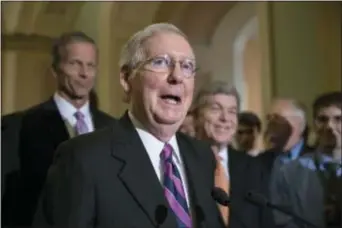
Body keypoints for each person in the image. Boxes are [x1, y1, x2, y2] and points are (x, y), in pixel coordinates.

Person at [34, 23, 225, 228]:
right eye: (161, 62)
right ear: (126, 79)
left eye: (187, 66)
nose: (177, 76)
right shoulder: (83, 158)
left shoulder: (201, 156)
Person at [7, 31, 115, 226]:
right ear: (55, 69)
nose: (84, 73)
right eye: (75, 64)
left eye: (90, 65)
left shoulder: (114, 129)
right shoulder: (20, 126)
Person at [192, 81, 269, 228]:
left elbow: (265, 221)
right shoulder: (180, 162)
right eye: (216, 109)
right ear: (196, 117)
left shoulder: (253, 167)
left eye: (232, 111)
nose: (225, 118)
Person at [270, 91, 342, 228]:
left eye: (338, 119)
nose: (330, 126)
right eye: (323, 119)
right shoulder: (287, 173)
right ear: (314, 124)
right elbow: (282, 221)